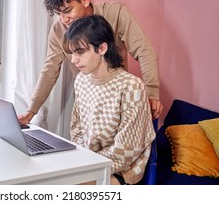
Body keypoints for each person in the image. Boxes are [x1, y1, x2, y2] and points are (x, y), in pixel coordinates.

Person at [18, 0, 162, 126]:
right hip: (87, 104)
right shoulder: (58, 31)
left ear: (85, 0)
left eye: (68, 10)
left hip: (118, 102)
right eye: (59, 13)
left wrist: (152, 93)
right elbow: (49, 71)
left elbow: (144, 51)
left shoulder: (116, 12)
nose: (64, 19)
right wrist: (30, 112)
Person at [63, 15, 155, 185]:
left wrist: (88, 166)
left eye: (80, 52)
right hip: (90, 162)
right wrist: (82, 160)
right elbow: (76, 128)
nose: (74, 59)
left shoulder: (131, 86)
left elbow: (127, 150)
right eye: (72, 53)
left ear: (102, 48)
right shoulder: (81, 80)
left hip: (122, 170)